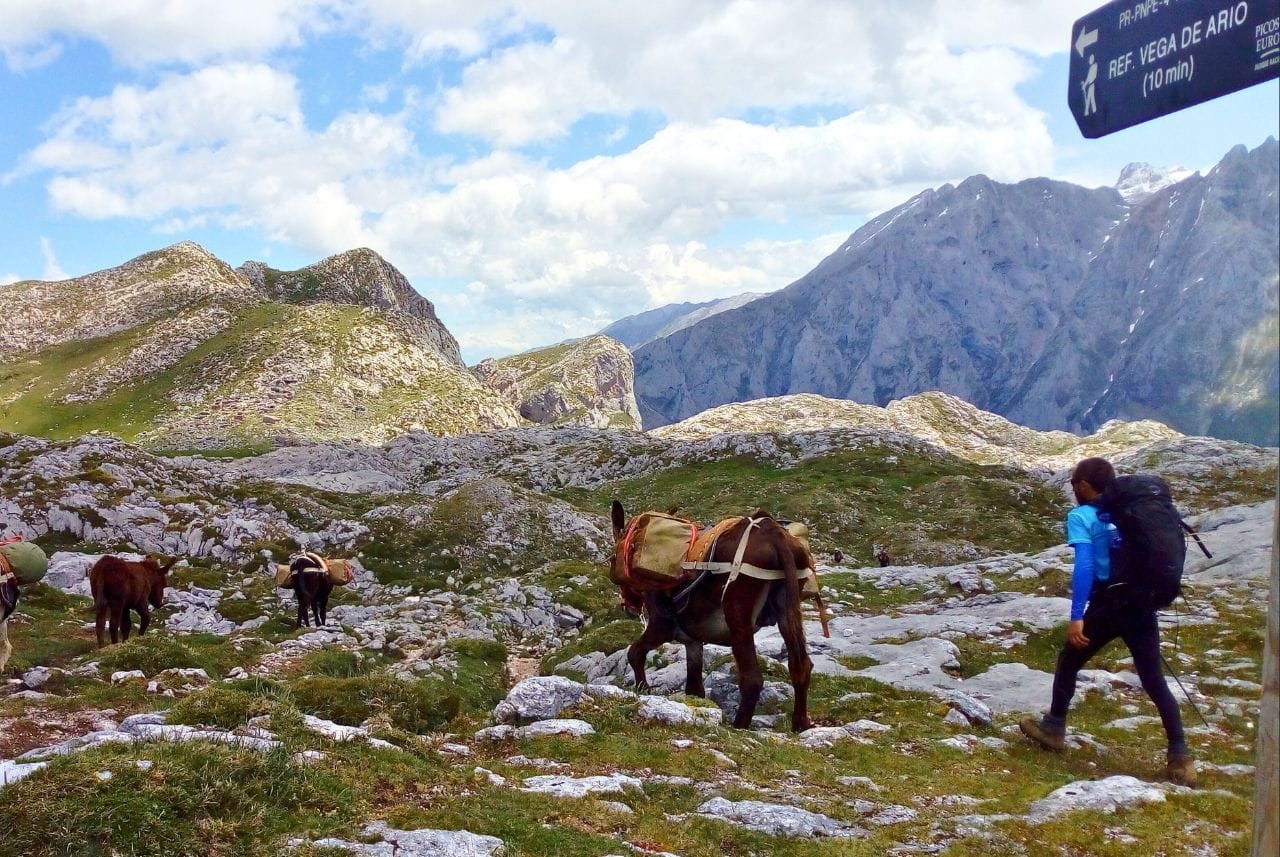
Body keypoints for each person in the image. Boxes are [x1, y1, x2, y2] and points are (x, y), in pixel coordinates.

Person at [1019, 457, 1194, 786]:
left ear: (1085, 485)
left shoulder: (1082, 516)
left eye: (1074, 483)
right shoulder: (1125, 512)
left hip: (1110, 601)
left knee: (1070, 658)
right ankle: (1180, 756)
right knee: (1154, 678)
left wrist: (1076, 617)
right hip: (1141, 601)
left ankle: (1054, 727)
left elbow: (1085, 566)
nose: (1073, 489)